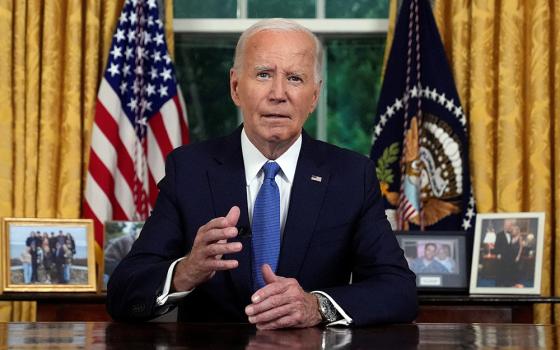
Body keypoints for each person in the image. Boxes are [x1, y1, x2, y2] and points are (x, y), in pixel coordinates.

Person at [107, 18, 417, 328]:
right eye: (264, 74)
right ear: (236, 87)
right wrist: (186, 271)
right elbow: (122, 292)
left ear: (314, 95)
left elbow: (399, 290)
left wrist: (317, 306)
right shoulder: (189, 170)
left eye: (295, 78)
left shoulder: (351, 175)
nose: (278, 93)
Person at [494, 219, 521, 287]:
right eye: (506, 225)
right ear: (504, 225)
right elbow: (496, 247)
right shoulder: (499, 235)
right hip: (502, 259)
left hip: (511, 259)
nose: (508, 227)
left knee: (510, 277)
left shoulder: (513, 234)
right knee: (500, 278)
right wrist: (498, 254)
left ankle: (509, 286)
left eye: (509, 225)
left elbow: (516, 247)